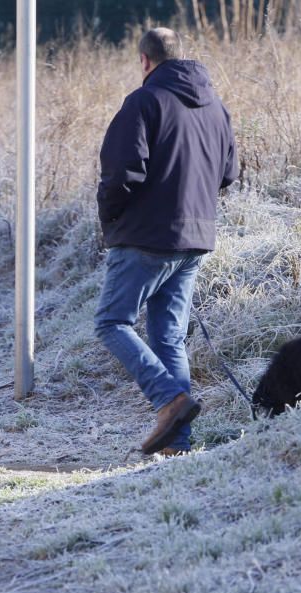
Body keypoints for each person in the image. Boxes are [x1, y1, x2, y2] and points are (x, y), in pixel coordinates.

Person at [94, 27, 238, 456]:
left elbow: (121, 173)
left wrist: (111, 217)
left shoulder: (143, 102)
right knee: (168, 339)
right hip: (194, 239)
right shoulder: (216, 107)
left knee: (111, 322)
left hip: (144, 237)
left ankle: (168, 400)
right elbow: (228, 174)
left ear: (144, 60)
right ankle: (178, 444)